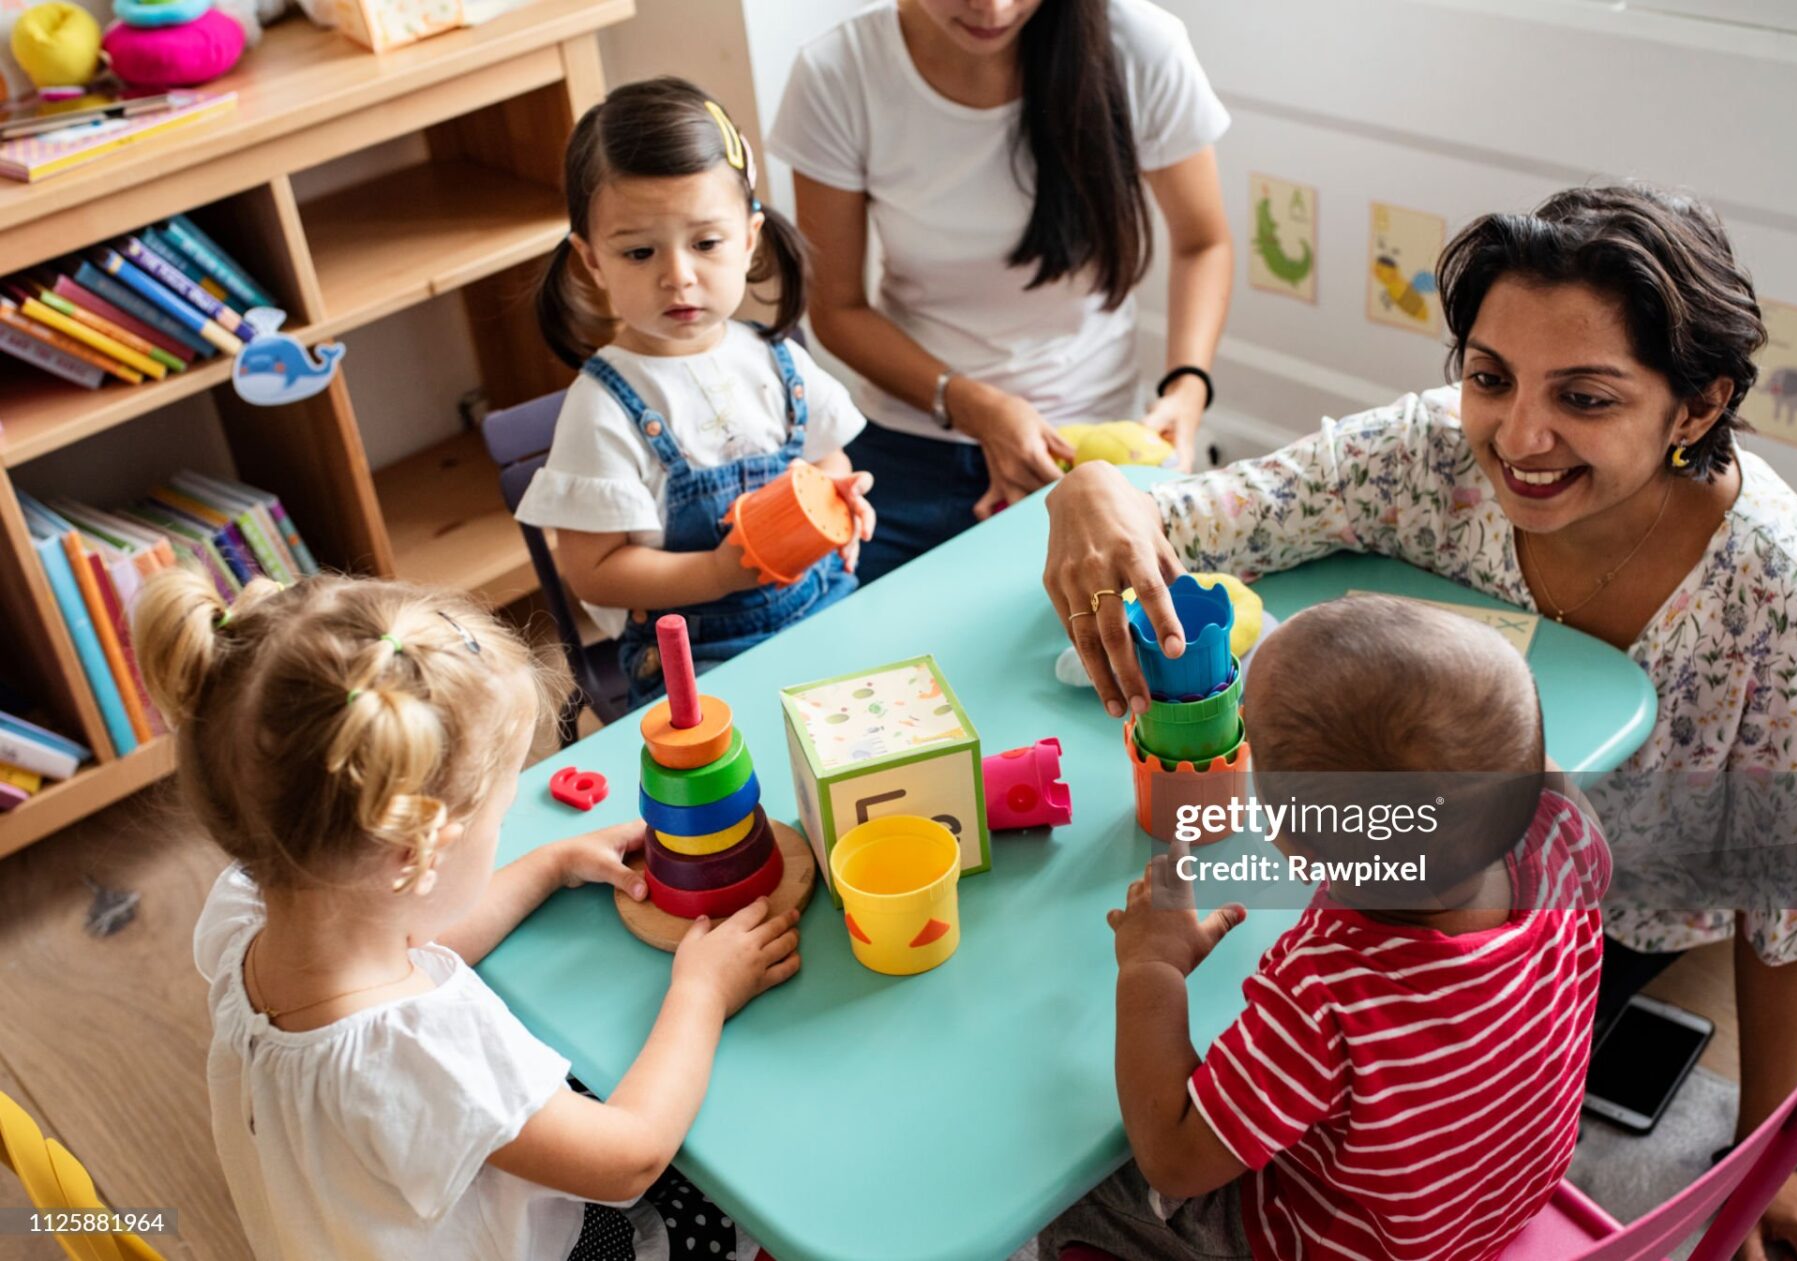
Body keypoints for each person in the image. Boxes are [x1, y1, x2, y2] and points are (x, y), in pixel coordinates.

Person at [1042, 184, 1797, 1261]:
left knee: (1119, 1104)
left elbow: (1795, 894)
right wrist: (1097, 489)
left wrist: (1780, 1151)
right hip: (1507, 894)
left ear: (1698, 407)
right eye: (1489, 378)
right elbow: (1204, 515)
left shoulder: (1782, 594)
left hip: (1593, 919)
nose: (1518, 436)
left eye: (1585, 397)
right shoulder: (1427, 459)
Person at [137, 569, 800, 1260]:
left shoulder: (248, 910)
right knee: (724, 1207)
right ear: (416, 855)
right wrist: (702, 992)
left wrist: (546, 865)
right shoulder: (421, 1051)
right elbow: (629, 1155)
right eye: (501, 817)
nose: (506, 829)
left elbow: (409, 935)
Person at [1043, 594, 1610, 1261]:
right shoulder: (1564, 838)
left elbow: (1173, 1154)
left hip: (1354, 1245)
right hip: (1489, 1204)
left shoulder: (1327, 992)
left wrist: (1153, 967)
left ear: (1292, 843)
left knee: (1083, 1187)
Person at [769, 0, 1234, 580]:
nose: (993, 7)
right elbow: (836, 308)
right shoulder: (839, 73)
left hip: (1089, 447)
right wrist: (977, 407)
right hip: (911, 444)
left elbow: (1203, 244)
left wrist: (1187, 387)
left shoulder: (1142, 47)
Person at [519, 78, 876, 709]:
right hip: (702, 661)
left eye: (706, 243)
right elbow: (593, 570)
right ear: (591, 261)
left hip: (826, 608)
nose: (677, 276)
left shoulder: (776, 359)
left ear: (749, 237)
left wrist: (836, 501)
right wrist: (717, 573)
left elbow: (827, 458)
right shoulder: (603, 408)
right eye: (638, 252)